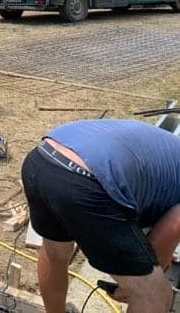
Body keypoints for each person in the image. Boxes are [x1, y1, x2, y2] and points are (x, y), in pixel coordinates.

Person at [22, 119, 180, 313]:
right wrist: (134, 287)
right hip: (85, 181)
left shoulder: (170, 150)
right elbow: (159, 246)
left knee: (56, 252)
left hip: (42, 158)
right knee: (155, 293)